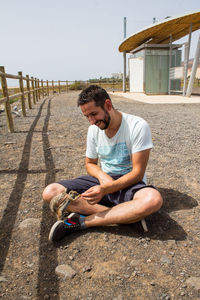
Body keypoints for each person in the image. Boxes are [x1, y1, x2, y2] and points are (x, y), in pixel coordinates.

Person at [42, 85, 163, 242]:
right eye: (87, 117)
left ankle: (83, 221)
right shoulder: (93, 129)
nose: (92, 122)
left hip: (129, 182)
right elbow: (90, 163)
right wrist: (102, 177)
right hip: (104, 180)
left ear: (108, 105)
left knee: (153, 200)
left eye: (94, 114)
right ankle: (127, 217)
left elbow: (138, 173)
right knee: (50, 192)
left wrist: (106, 189)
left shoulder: (137, 126)